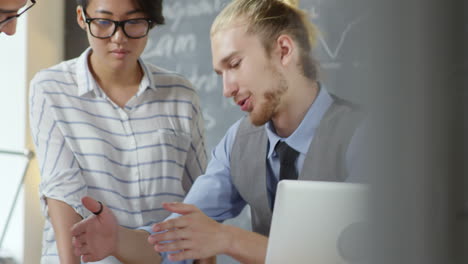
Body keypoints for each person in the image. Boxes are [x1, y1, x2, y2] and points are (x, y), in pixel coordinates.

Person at [71, 0, 366, 263]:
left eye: (234, 64)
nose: (226, 89)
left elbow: (362, 254)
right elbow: (172, 240)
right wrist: (116, 240)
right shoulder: (237, 142)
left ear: (284, 51)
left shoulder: (366, 137)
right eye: (220, 74)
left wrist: (229, 239)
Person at [28, 0, 207, 263]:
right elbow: (62, 191)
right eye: (103, 22)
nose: (118, 37)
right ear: (81, 17)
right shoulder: (51, 87)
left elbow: (199, 199)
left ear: (150, 21)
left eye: (134, 22)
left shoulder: (181, 94)